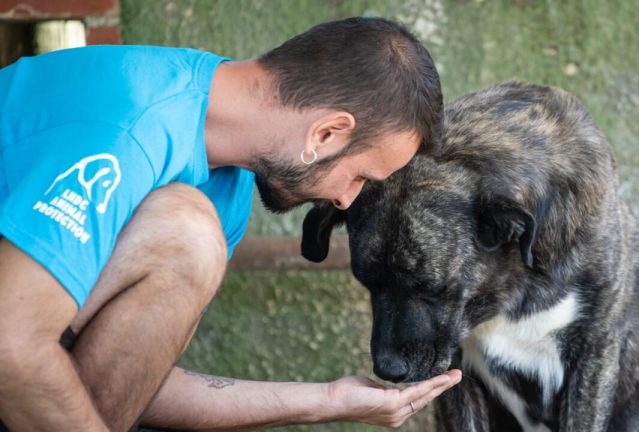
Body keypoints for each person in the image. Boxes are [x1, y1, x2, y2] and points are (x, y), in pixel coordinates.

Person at [0, 17, 461, 431]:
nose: (345, 198)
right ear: (325, 133)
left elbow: (138, 383)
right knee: (187, 231)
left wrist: (328, 400)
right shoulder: (135, 124)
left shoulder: (229, 182)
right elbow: (12, 347)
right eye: (359, 176)